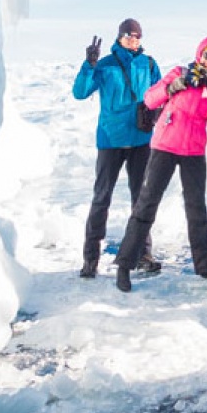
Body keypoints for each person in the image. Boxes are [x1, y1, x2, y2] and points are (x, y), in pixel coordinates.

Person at [116, 38, 207, 291]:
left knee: (197, 210)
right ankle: (125, 265)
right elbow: (150, 99)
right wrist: (172, 88)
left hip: (194, 152)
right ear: (200, 55)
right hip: (165, 146)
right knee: (146, 205)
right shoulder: (180, 73)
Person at [72, 18, 161, 278]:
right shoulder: (106, 64)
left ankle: (143, 255)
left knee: (141, 201)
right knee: (102, 199)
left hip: (141, 141)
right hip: (111, 141)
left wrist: (156, 115)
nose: (133, 40)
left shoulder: (149, 64)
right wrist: (89, 65)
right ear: (119, 37)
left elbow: (160, 95)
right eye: (128, 35)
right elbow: (80, 92)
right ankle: (91, 259)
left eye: (137, 36)